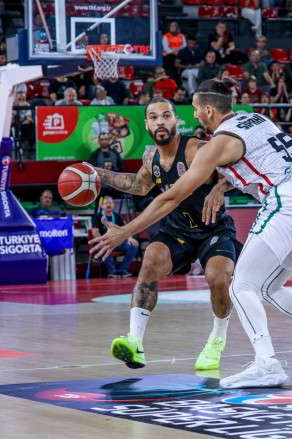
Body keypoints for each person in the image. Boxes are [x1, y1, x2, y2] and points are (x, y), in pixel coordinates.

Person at [90, 79, 292, 388]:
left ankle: (266, 363)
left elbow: (171, 197)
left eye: (196, 110)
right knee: (269, 287)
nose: (194, 116)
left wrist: (125, 231)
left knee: (241, 285)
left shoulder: (215, 143)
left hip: (285, 203)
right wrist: (220, 186)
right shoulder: (257, 120)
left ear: (209, 110)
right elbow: (251, 158)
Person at [92, 97, 243, 372]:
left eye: (166, 116)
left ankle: (217, 340)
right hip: (178, 229)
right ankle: (134, 341)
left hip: (213, 227)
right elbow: (139, 185)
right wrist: (97, 174)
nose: (160, 121)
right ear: (147, 125)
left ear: (176, 120)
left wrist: (220, 187)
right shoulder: (152, 158)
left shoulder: (196, 148)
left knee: (217, 277)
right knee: (151, 258)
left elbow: (235, 167)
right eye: (153, 117)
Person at [90, 196, 137, 278]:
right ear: (101, 206)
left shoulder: (117, 216)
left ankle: (123, 270)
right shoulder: (97, 217)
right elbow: (95, 232)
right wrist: (103, 241)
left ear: (114, 205)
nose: (109, 205)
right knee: (105, 246)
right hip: (105, 242)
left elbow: (124, 230)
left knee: (133, 245)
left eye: (110, 203)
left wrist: (130, 238)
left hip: (117, 243)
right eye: (106, 203)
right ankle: (112, 271)